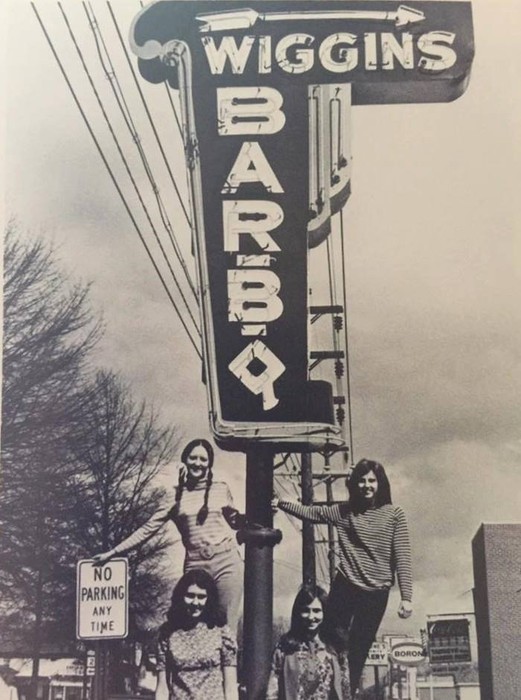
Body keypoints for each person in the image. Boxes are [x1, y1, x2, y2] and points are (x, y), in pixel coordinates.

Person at [272, 459, 412, 695]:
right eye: (362, 481)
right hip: (347, 583)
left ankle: (347, 692)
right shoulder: (344, 511)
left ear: (380, 484)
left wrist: (407, 597)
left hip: (376, 591)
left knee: (359, 647)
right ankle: (319, 685)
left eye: (372, 481)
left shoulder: (394, 514)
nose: (367, 486)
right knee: (330, 637)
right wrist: (283, 503)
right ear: (354, 484)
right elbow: (313, 513)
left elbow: (402, 555)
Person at [93, 438, 244, 628]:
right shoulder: (173, 496)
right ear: (185, 460)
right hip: (195, 562)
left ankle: (228, 657)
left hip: (226, 561)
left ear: (209, 464)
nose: (198, 463)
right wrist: (113, 552)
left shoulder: (220, 489)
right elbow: (147, 529)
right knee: (193, 621)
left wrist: (260, 514)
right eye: (193, 458)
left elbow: (235, 521)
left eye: (203, 459)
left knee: (225, 621)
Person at [155, 568, 239, 700]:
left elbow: (230, 688)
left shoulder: (221, 631)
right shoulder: (167, 632)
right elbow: (162, 688)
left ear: (209, 598)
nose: (195, 602)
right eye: (190, 595)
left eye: (201, 597)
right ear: (181, 596)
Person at [266, 585, 347, 700]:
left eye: (317, 611)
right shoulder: (286, 647)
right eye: (305, 610)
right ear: (298, 612)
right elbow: (272, 692)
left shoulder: (335, 649)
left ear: (325, 612)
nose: (311, 616)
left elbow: (345, 690)